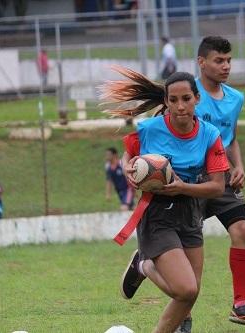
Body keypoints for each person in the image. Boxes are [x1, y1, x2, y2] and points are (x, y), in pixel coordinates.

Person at [100, 67, 228, 333]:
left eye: (186, 99)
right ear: (166, 101)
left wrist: (183, 187)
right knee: (186, 289)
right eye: (173, 100)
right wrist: (127, 168)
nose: (180, 106)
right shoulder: (149, 129)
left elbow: (217, 187)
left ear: (197, 99)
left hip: (190, 212)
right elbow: (128, 155)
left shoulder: (210, 135)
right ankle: (147, 265)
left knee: (190, 294)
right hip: (157, 214)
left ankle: (144, 266)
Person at [192, 36, 245, 328]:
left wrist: (239, 166)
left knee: (242, 229)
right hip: (191, 179)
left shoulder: (236, 98)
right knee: (188, 244)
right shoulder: (187, 93)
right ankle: (180, 309)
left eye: (228, 60)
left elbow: (231, 137)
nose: (226, 66)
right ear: (202, 62)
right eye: (218, 60)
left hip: (222, 176)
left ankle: (241, 305)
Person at [105, 147, 135, 211]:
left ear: (115, 155)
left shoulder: (121, 164)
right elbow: (109, 181)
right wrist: (108, 194)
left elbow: (129, 177)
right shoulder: (108, 167)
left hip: (128, 190)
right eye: (106, 155)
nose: (107, 157)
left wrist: (133, 190)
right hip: (119, 191)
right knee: (131, 208)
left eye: (109, 155)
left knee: (124, 207)